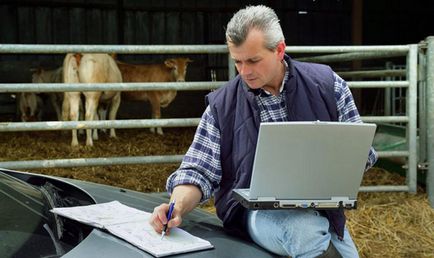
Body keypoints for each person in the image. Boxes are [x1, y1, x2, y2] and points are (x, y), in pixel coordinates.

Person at [150, 5, 377, 258]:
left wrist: (342, 164)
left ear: (280, 50)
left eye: (253, 61)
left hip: (323, 210)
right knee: (304, 231)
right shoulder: (222, 105)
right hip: (254, 214)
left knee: (331, 242)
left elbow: (361, 153)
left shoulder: (327, 84)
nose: (244, 71)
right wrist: (176, 206)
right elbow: (198, 170)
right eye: (237, 61)